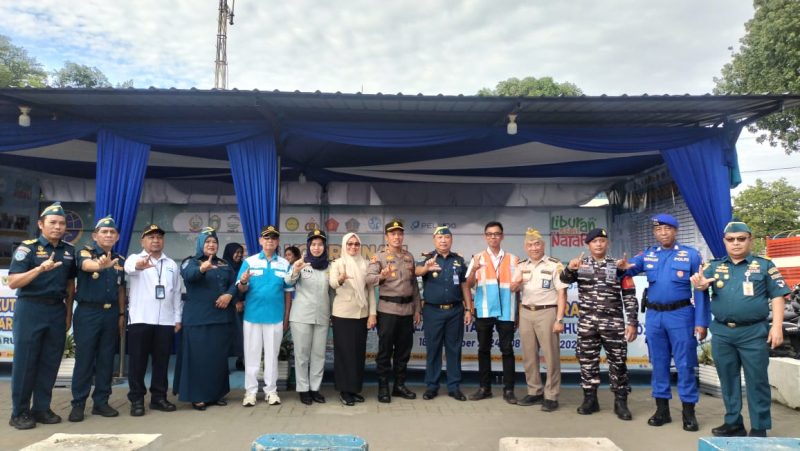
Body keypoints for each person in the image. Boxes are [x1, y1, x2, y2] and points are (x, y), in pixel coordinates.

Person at [691, 221, 788, 438]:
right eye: (731, 239)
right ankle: (733, 422)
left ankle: (759, 426)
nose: (736, 243)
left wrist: (777, 327)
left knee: (757, 380)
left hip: (753, 332)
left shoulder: (764, 265)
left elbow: (778, 295)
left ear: (750, 240)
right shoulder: (714, 266)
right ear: (725, 242)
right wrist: (699, 286)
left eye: (741, 239)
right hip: (723, 333)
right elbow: (701, 288)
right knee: (728, 379)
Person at [618, 214, 709, 431]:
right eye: (658, 230)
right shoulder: (648, 255)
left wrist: (702, 321)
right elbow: (627, 269)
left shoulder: (690, 255)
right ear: (654, 233)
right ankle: (662, 410)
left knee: (685, 364)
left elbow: (701, 291)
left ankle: (689, 413)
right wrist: (623, 266)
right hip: (655, 316)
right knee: (658, 364)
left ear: (675, 231)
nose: (663, 233)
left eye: (667, 229)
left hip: (681, 315)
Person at [8, 202, 77, 430]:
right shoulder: (27, 248)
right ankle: (19, 412)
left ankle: (41, 408)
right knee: (26, 362)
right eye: (52, 223)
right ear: (41, 224)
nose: (58, 227)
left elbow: (70, 285)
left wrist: (68, 314)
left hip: (56, 310)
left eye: (61, 223)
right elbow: (13, 281)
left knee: (50, 362)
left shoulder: (68, 251)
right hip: (31, 308)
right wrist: (39, 269)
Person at [560, 228, 638, 421]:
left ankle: (620, 402)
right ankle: (590, 400)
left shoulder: (618, 266)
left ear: (607, 243)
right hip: (588, 323)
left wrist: (632, 322)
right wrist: (570, 268)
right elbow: (564, 280)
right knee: (587, 362)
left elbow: (629, 295)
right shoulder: (581, 264)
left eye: (602, 240)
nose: (599, 244)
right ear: (588, 245)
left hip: (613, 323)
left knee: (618, 362)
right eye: (595, 241)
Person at [68, 216, 126, 422]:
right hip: (88, 313)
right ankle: (78, 404)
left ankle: (101, 402)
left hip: (110, 314)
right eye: (104, 232)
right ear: (95, 235)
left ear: (117, 237)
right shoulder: (85, 252)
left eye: (112, 232)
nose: (108, 235)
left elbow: (120, 289)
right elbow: (86, 266)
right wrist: (101, 265)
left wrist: (121, 314)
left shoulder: (120, 260)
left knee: (106, 359)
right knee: (84, 360)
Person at [124, 223, 183, 417]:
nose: (155, 240)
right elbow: (129, 268)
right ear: (143, 241)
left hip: (165, 321)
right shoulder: (135, 258)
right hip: (141, 319)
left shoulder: (172, 264)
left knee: (162, 362)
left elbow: (176, 294)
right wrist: (139, 265)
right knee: (138, 362)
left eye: (159, 237)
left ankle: (158, 397)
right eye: (151, 237)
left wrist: (177, 318)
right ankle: (137, 399)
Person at [177, 227, 238, 410]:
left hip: (221, 318)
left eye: (214, 242)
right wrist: (202, 269)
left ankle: (216, 394)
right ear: (200, 244)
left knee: (218, 359)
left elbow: (233, 284)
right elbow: (188, 276)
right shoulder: (191, 262)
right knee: (198, 359)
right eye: (208, 242)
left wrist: (229, 295)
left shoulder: (223, 263)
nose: (211, 245)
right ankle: (197, 396)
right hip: (199, 319)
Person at [511, 227, 568, 412]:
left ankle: (551, 395)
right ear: (525, 247)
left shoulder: (554, 264)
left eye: (537, 244)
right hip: (526, 312)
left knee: (551, 356)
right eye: (530, 245)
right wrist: (516, 283)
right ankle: (534, 391)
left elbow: (562, 293)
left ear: (543, 245)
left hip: (547, 312)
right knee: (529, 356)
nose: (534, 248)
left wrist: (559, 319)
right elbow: (512, 289)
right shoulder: (521, 266)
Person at [237, 225, 293, 407]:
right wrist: (244, 281)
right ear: (260, 241)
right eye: (266, 238)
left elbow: (287, 293)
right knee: (252, 356)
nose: (270, 241)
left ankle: (271, 391)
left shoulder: (285, 264)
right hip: (252, 316)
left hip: (275, 317)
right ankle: (250, 392)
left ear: (277, 242)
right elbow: (241, 288)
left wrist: (286, 318)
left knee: (272, 356)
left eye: (273, 238)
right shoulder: (249, 262)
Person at [366, 219, 422, 403]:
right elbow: (369, 278)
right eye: (393, 234)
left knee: (403, 352)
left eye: (399, 233)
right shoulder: (379, 257)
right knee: (385, 351)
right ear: (387, 236)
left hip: (407, 310)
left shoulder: (409, 257)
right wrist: (381, 276)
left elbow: (414, 285)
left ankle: (399, 385)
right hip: (387, 310)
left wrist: (417, 309)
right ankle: (383, 387)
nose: (397, 237)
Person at [415, 225, 472, 401]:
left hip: (455, 311)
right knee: (433, 349)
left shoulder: (458, 261)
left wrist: (469, 309)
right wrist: (426, 268)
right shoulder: (427, 258)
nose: (443, 240)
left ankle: (454, 387)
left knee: (454, 349)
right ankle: (432, 386)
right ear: (434, 240)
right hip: (433, 311)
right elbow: (416, 272)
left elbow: (464, 285)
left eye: (446, 237)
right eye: (440, 238)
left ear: (451, 240)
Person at [466, 221, 520, 404]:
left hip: (506, 310)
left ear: (502, 236)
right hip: (484, 309)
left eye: (496, 234)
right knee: (483, 349)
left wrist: (518, 313)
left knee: (507, 350)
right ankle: (484, 388)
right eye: (489, 234)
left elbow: (519, 287)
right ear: (485, 236)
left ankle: (509, 390)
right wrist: (473, 270)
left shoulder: (514, 259)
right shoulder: (477, 258)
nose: (493, 237)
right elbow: (469, 284)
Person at [329, 232, 377, 406]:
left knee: (358, 353)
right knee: (344, 354)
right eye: (349, 244)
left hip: (361, 315)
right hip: (343, 314)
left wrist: (372, 314)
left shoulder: (366, 264)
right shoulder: (338, 263)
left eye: (356, 244)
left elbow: (371, 290)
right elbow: (333, 283)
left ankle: (354, 389)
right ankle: (344, 390)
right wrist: (341, 279)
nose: (353, 247)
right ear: (344, 245)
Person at [285, 229, 332, 405]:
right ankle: (303, 389)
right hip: (301, 316)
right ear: (308, 246)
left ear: (324, 247)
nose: (317, 248)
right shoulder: (301, 263)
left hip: (322, 315)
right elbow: (288, 281)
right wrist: (295, 270)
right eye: (313, 244)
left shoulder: (330, 266)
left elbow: (332, 291)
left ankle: (315, 389)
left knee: (319, 355)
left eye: (320, 244)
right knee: (302, 355)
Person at [223, 242, 246, 371]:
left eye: (240, 252)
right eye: (236, 252)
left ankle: (240, 360)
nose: (239, 255)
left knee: (241, 335)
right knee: (226, 337)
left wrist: (242, 301)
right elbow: (224, 286)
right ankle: (222, 364)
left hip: (241, 307)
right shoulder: (223, 265)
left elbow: (246, 285)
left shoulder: (243, 266)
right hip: (226, 307)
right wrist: (235, 300)